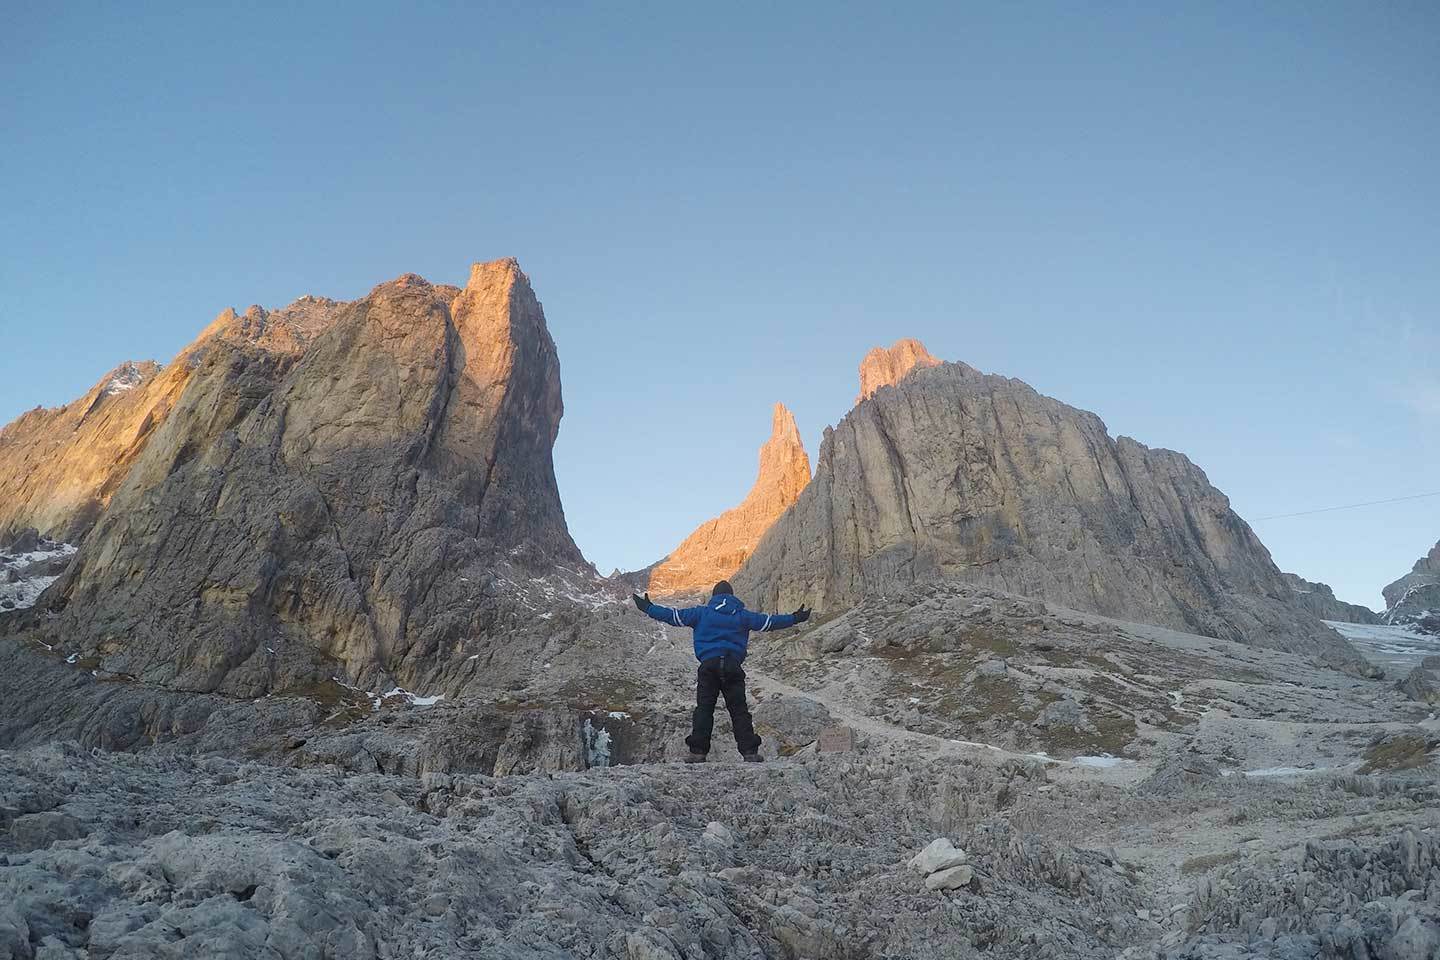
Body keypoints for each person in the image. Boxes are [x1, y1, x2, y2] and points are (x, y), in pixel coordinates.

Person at [634, 580, 810, 763]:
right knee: (739, 709)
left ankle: (698, 752)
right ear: (732, 596)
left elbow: (673, 616)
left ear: (714, 597)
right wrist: (795, 618)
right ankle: (749, 751)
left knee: (704, 708)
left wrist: (648, 608)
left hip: (708, 665)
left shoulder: (701, 613)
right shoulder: (743, 615)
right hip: (733, 666)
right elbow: (769, 622)